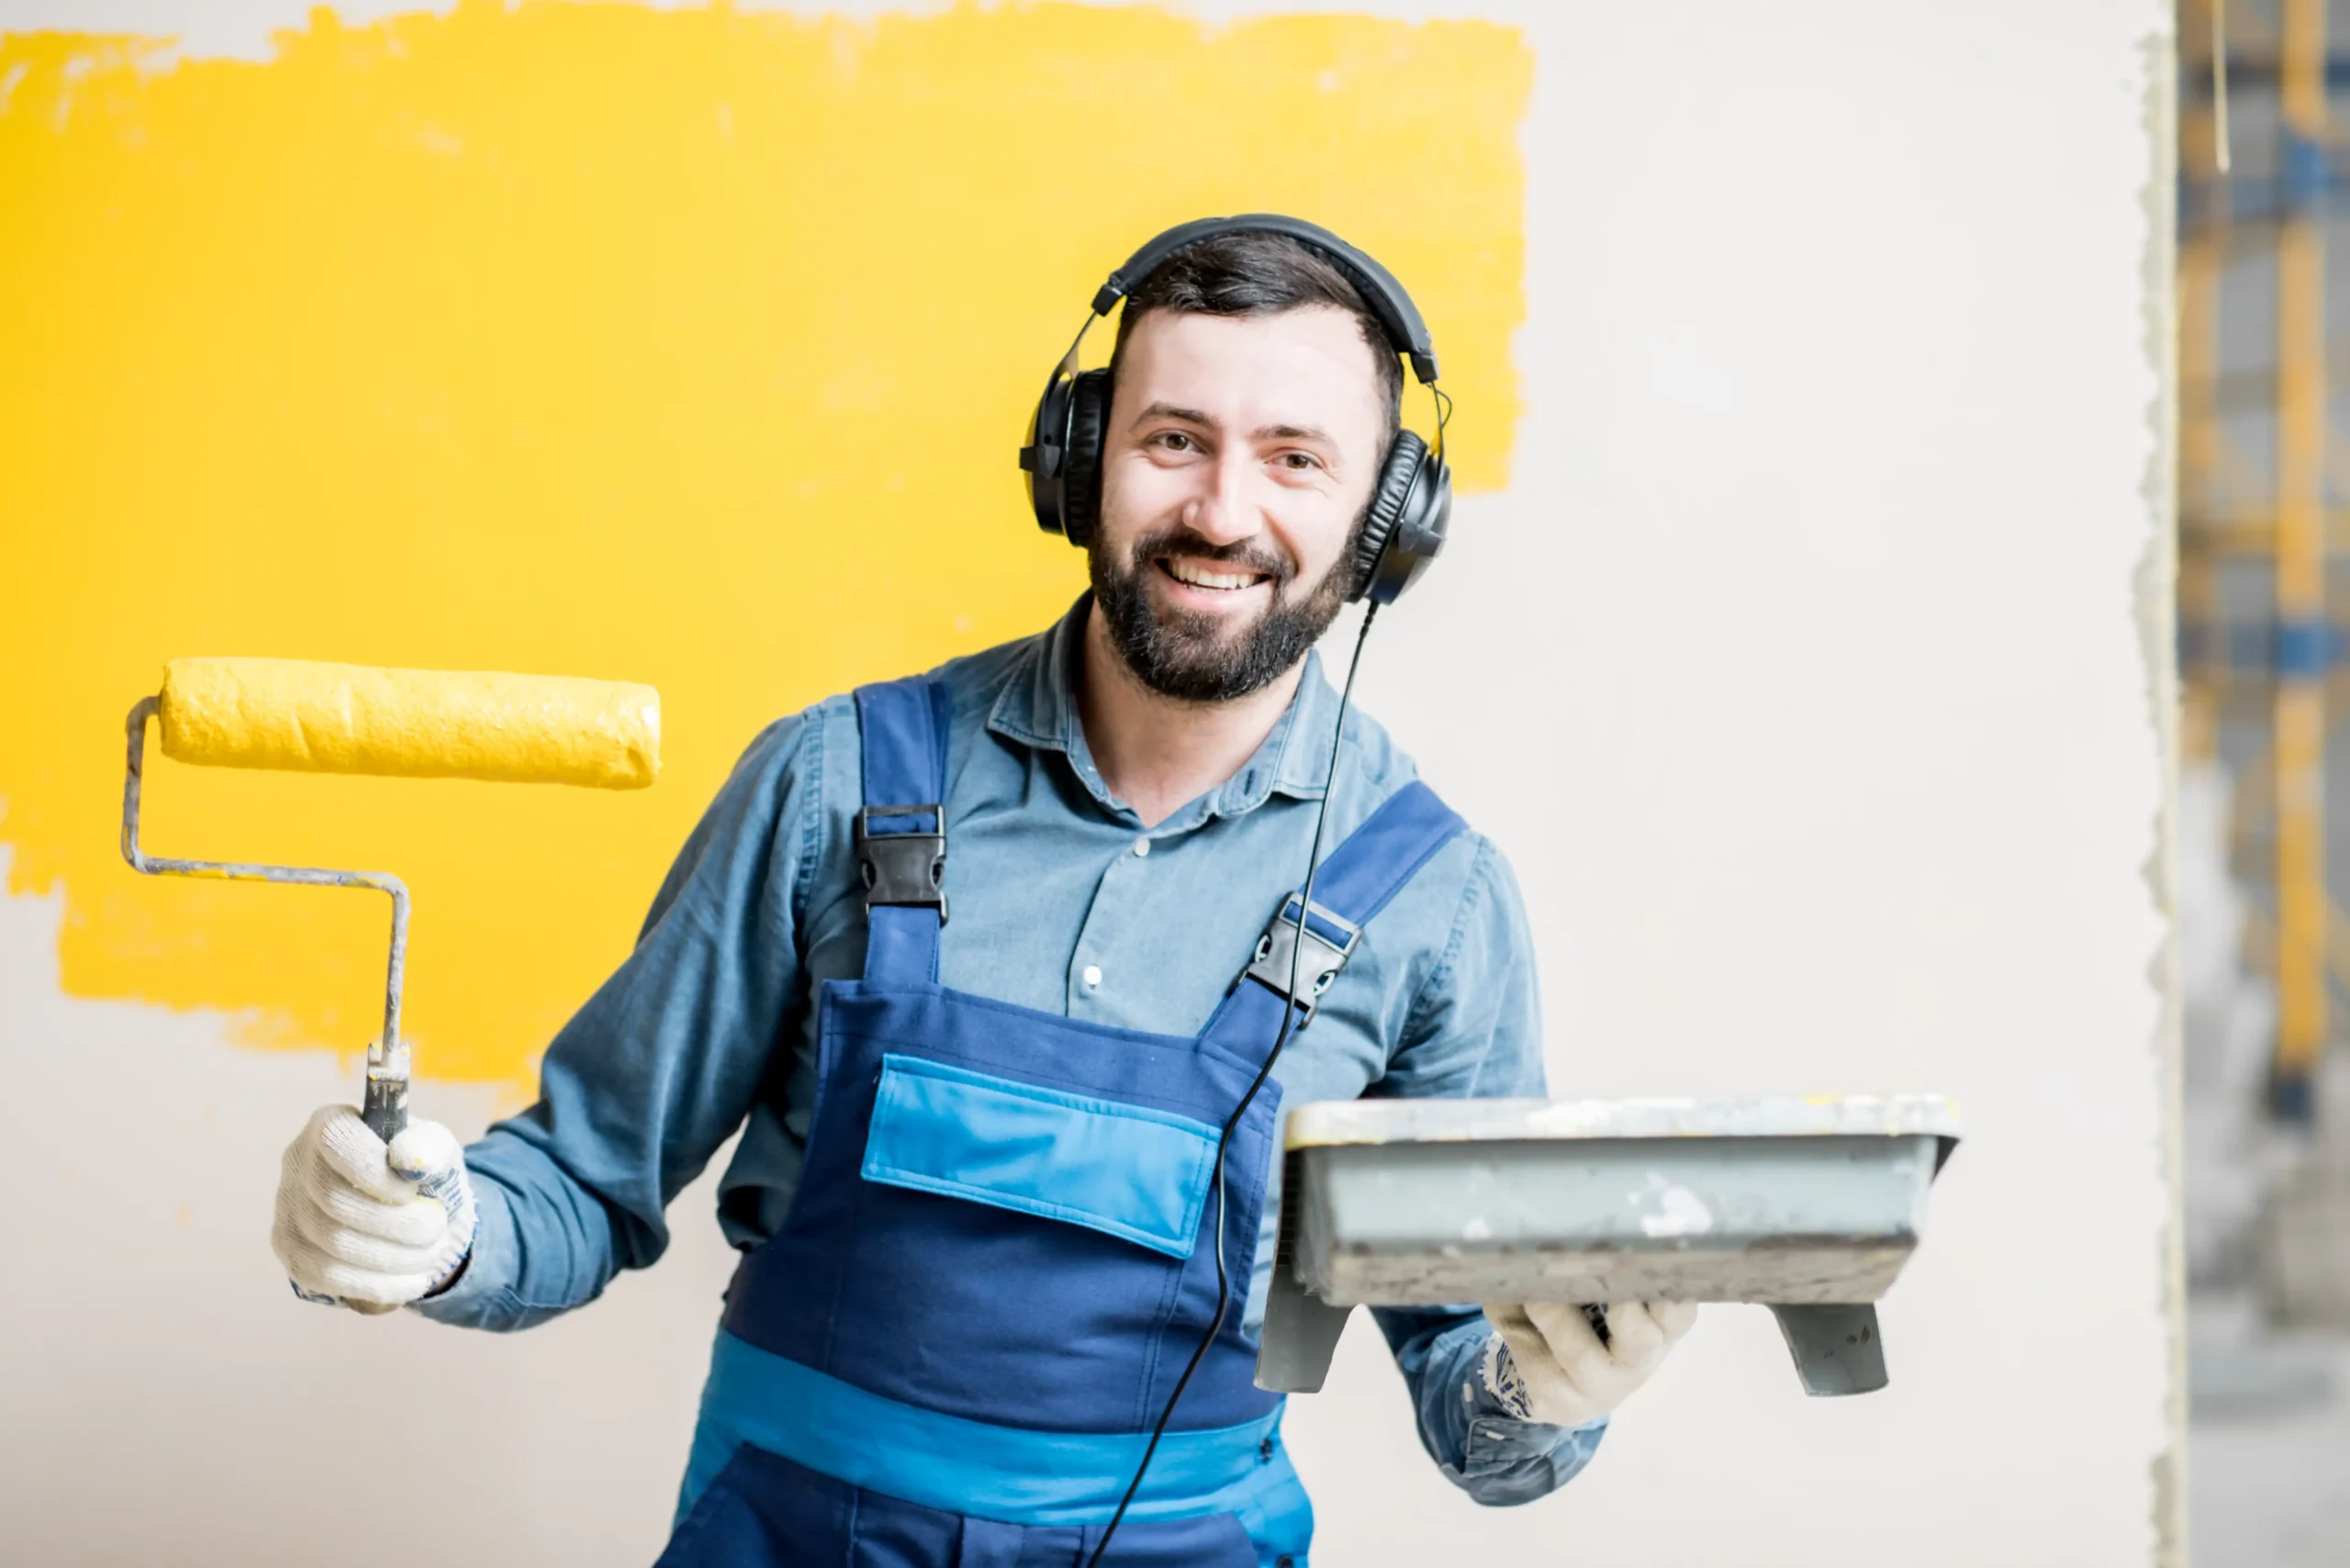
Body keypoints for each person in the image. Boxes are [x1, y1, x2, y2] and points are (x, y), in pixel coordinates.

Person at [268, 217, 1695, 1566]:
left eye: (1295, 460)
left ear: (1388, 522)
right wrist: (436, 1235)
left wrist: (1552, 1384)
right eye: (1173, 440)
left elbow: (1478, 1411)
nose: (1220, 509)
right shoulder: (833, 780)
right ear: (1079, 461)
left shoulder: (1429, 903)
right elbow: (581, 1182)